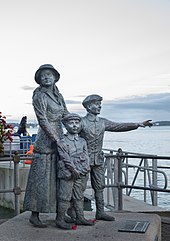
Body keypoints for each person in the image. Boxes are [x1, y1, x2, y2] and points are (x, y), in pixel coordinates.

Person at [78, 94, 152, 221]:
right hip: (83, 159)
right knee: (80, 187)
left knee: (100, 186)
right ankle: (78, 215)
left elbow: (119, 126)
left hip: (98, 160)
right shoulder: (81, 122)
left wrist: (138, 124)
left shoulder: (103, 122)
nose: (99, 106)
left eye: (100, 104)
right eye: (96, 104)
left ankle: (100, 212)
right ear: (88, 106)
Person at [23, 64, 69, 227]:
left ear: (55, 77)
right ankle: (34, 214)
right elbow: (42, 120)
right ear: (39, 80)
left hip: (60, 137)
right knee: (40, 178)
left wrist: (78, 126)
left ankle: (61, 213)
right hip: (46, 140)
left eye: (49, 74)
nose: (46, 77)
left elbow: (66, 115)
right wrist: (56, 139)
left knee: (59, 177)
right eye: (43, 75)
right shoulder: (39, 96)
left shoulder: (59, 96)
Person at [56, 113, 94, 229]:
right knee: (64, 196)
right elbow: (65, 157)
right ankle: (60, 219)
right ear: (65, 125)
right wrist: (73, 169)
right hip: (68, 173)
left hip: (81, 173)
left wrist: (86, 168)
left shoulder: (82, 141)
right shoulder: (62, 141)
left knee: (79, 195)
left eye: (77, 123)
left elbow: (86, 155)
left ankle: (80, 217)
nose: (74, 126)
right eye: (71, 123)